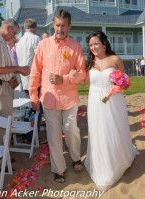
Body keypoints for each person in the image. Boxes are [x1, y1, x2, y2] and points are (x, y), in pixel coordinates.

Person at [29, 9, 86, 183]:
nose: (59, 29)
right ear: (53, 24)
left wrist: (65, 79)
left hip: (69, 98)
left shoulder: (75, 47)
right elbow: (35, 71)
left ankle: (76, 157)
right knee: (53, 136)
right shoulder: (43, 45)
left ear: (69, 26)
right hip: (48, 98)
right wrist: (33, 94)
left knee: (71, 131)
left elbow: (82, 73)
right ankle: (58, 169)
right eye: (57, 25)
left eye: (63, 25)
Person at [84, 31, 138, 191]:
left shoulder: (115, 59)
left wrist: (120, 84)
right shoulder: (89, 62)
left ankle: (115, 164)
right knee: (97, 132)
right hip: (94, 101)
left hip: (112, 101)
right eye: (91, 45)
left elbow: (125, 80)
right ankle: (101, 164)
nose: (93, 47)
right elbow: (84, 82)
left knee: (112, 130)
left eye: (96, 43)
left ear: (104, 44)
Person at [0, 18, 29, 145]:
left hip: (2, 85)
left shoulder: (0, 42)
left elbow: (2, 68)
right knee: (1, 123)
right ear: (8, 28)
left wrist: (19, 71)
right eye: (14, 33)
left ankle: (3, 157)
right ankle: (0, 160)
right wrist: (19, 68)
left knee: (5, 122)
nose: (15, 36)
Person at [16, 18, 41, 94]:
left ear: (24, 28)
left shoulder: (20, 41)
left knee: (29, 102)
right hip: (34, 77)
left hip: (23, 78)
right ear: (35, 28)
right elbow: (40, 58)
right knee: (37, 103)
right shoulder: (36, 38)